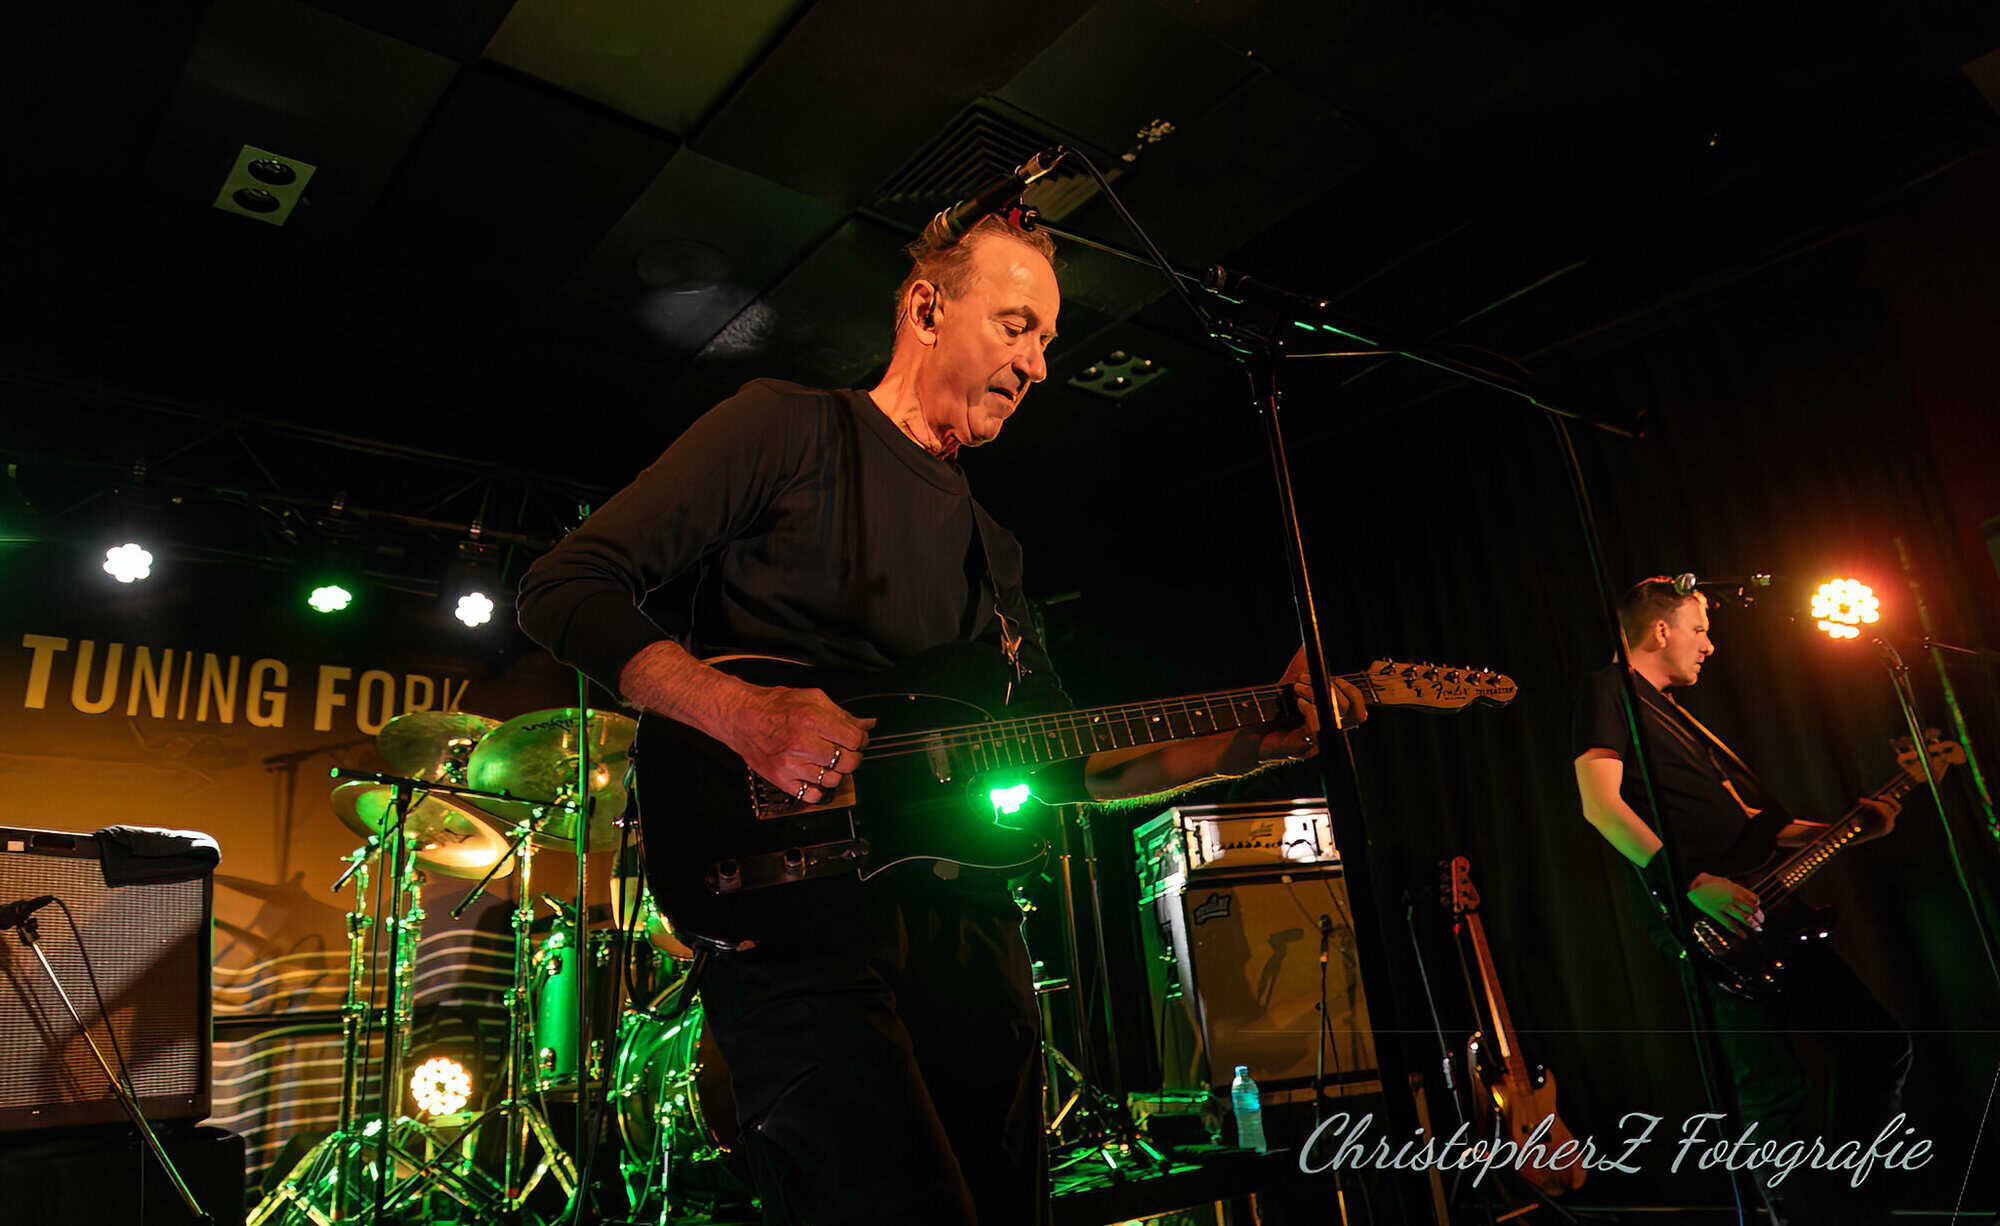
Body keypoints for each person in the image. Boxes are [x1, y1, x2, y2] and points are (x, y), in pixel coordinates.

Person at [517, 213, 1366, 1225]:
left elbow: (1075, 762)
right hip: (794, 927)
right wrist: (740, 712)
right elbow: (564, 588)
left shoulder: (994, 549)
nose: (1037, 364)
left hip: (969, 940)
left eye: (1047, 341)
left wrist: (1248, 741)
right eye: (1016, 326)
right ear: (925, 307)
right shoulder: (785, 428)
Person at [1571, 576, 1912, 1225]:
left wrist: (1844, 829)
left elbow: (1748, 821)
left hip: (1761, 905)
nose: (1710, 645)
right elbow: (1600, 805)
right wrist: (1689, 884)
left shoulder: (1679, 717)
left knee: (1877, 1045)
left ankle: (1845, 1203)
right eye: (1699, 629)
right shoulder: (1608, 689)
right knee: (1772, 1087)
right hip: (1707, 917)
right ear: (1660, 629)